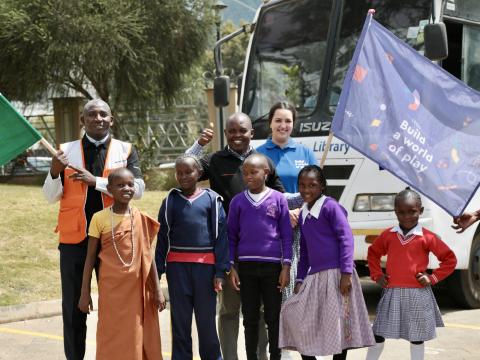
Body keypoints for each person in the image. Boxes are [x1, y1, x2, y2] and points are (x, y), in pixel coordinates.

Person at [42, 99, 145, 360]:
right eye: (91, 114)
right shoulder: (65, 151)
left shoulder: (126, 150)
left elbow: (140, 190)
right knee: (75, 309)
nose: (97, 118)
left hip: (114, 240)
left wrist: (96, 181)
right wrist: (55, 172)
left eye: (103, 114)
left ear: (112, 119)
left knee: (117, 308)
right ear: (82, 120)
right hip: (75, 240)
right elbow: (50, 196)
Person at [185, 112, 288, 360]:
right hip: (227, 246)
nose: (237, 135)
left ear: (252, 133)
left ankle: (260, 356)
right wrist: (199, 145)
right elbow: (186, 168)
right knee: (230, 310)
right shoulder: (216, 160)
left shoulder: (264, 161)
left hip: (263, 252)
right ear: (226, 134)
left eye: (242, 130)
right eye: (231, 131)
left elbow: (281, 197)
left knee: (262, 312)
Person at [279, 165, 374, 359]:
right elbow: (304, 251)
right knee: (298, 317)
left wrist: (346, 273)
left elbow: (346, 239)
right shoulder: (304, 212)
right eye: (302, 185)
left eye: (312, 185)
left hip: (338, 274)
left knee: (339, 324)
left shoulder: (330, 206)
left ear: (322, 186)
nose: (306, 190)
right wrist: (299, 280)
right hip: (315, 277)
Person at [78, 168, 164, 359]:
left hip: (136, 291)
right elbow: (90, 258)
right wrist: (84, 293)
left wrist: (158, 291)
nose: (126, 188)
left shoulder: (140, 217)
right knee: (110, 333)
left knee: (134, 334)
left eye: (130, 184)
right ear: (109, 188)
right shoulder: (99, 218)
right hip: (110, 289)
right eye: (120, 185)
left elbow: (148, 257)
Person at [366, 189, 457, 360]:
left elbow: (449, 259)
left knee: (416, 338)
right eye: (401, 212)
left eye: (412, 211)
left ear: (420, 211)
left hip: (417, 294)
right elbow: (373, 253)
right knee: (377, 334)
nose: (407, 216)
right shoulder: (388, 235)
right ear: (395, 212)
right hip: (392, 292)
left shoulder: (427, 237)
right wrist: (377, 274)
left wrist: (432, 278)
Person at [155, 154, 229, 360]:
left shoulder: (212, 200)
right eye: (179, 172)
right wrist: (157, 271)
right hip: (177, 270)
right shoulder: (170, 201)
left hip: (205, 271)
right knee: (180, 323)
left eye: (189, 171)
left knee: (206, 323)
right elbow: (162, 238)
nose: (184, 176)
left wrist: (220, 271)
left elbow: (222, 237)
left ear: (199, 173)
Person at [228, 153, 292, 360]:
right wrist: (232, 266)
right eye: (244, 173)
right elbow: (231, 236)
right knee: (250, 318)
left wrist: (286, 266)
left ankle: (276, 356)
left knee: (274, 318)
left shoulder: (279, 198)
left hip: (273, 267)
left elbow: (286, 234)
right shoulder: (237, 202)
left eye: (253, 172)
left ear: (266, 173)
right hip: (246, 268)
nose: (248, 177)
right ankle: (251, 356)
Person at [256, 102, 317, 301]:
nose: (283, 125)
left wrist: (300, 211)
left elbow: (317, 189)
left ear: (293, 124)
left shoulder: (305, 153)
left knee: (301, 277)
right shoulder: (258, 153)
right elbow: (255, 192)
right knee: (277, 282)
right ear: (270, 124)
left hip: (302, 221)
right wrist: (283, 213)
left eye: (288, 121)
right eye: (278, 120)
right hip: (270, 224)